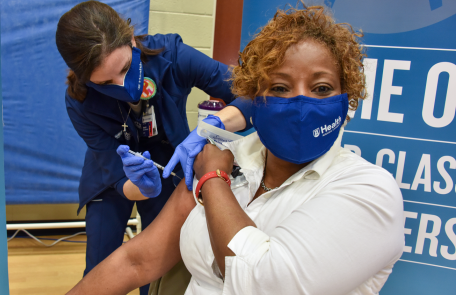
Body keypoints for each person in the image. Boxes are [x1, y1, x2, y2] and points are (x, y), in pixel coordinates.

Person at [66, 4, 405, 295]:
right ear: (258, 92)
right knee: (100, 253)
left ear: (349, 96)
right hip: (117, 179)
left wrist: (212, 165)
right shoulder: (235, 156)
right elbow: (137, 260)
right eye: (280, 87)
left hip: (179, 163)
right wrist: (138, 185)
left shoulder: (368, 190)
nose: (299, 103)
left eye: (321, 87)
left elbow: (260, 284)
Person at [55, 1, 251, 294]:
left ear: (132, 40)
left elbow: (250, 93)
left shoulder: (171, 56)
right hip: (111, 176)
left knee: (158, 265)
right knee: (101, 267)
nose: (122, 86)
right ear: (84, 77)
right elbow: (112, 168)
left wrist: (215, 125)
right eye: (106, 81)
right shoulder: (79, 101)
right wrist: (139, 187)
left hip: (170, 164)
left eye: (124, 68)